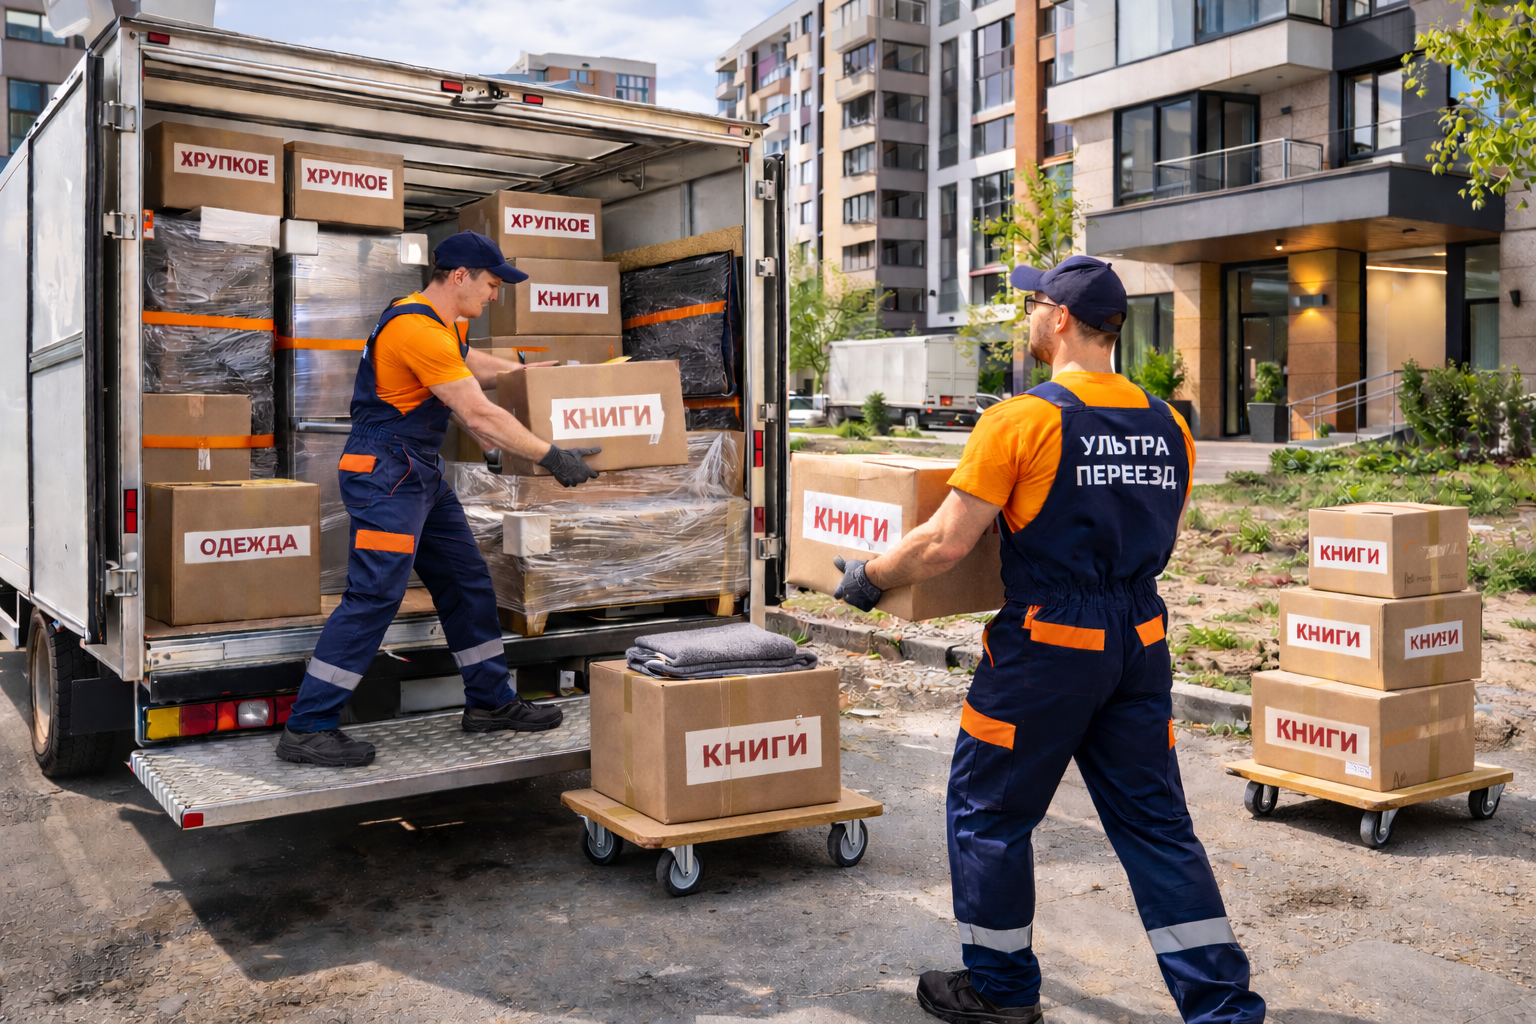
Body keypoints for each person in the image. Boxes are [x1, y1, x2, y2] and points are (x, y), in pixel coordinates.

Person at [832, 256, 1266, 1024]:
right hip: (1140, 640)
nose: (1028, 316)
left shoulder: (1021, 420)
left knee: (988, 813)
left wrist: (867, 577)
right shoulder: (1172, 425)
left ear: (1061, 318)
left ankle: (1001, 992)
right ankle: (1224, 1009)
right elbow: (1157, 528)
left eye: (1034, 303)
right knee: (1157, 828)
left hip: (1046, 651)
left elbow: (945, 544)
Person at [276, 230, 602, 768]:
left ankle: (490, 702)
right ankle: (308, 726)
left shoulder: (442, 323)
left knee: (467, 580)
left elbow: (468, 363)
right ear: (459, 276)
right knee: (375, 594)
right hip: (386, 474)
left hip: (417, 472)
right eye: (492, 284)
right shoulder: (416, 329)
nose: (495, 294)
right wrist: (552, 456)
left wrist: (529, 377)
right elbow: (477, 413)